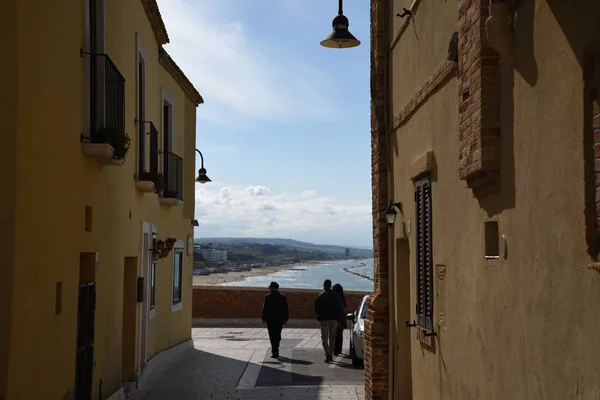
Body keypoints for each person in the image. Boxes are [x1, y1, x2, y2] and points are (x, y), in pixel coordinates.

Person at [314, 279, 345, 363]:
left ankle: (328, 354)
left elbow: (316, 308)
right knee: (332, 338)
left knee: (324, 338)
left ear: (324, 285)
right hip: (334, 320)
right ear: (331, 285)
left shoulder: (321, 295)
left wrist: (319, 316)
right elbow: (340, 309)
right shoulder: (336, 296)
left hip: (324, 320)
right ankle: (330, 354)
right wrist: (339, 320)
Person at [261, 281, 289, 358]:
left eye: (270, 287)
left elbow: (265, 309)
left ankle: (274, 351)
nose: (269, 288)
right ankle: (276, 349)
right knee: (277, 334)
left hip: (270, 320)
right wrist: (285, 319)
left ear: (273, 288)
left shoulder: (268, 297)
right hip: (279, 319)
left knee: (272, 335)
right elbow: (286, 309)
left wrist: (263, 318)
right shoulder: (283, 297)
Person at [332, 283, 347, 356]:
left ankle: (335, 350)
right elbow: (344, 306)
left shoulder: (334, 298)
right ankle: (339, 350)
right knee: (339, 335)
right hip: (342, 318)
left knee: (334, 335)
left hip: (335, 318)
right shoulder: (343, 298)